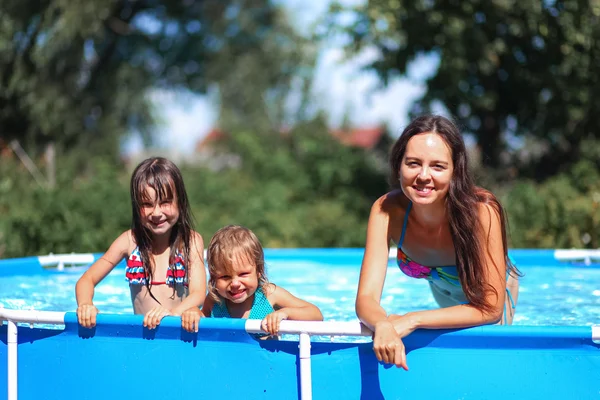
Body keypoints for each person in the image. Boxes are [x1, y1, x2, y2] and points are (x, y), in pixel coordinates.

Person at [356, 115, 520, 370]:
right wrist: (383, 324)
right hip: (444, 299)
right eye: (413, 163)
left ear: (456, 170)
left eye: (438, 166)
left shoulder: (482, 211)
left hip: (490, 300)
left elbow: (490, 308)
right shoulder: (386, 210)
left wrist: (413, 319)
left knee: (487, 366)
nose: (423, 176)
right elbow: (365, 298)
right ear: (399, 164)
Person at [75, 157, 206, 330]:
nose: (156, 213)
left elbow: (198, 293)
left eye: (165, 202)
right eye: (147, 204)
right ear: (137, 207)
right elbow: (86, 280)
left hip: (176, 333)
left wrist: (172, 313)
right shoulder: (129, 241)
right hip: (141, 337)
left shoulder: (190, 241)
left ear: (180, 202)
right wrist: (85, 305)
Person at [181, 225, 323, 336]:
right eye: (225, 277)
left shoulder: (269, 294)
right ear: (213, 278)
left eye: (243, 274)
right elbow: (203, 316)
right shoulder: (215, 300)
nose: (235, 284)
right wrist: (194, 312)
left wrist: (285, 313)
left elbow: (316, 314)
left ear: (259, 270)